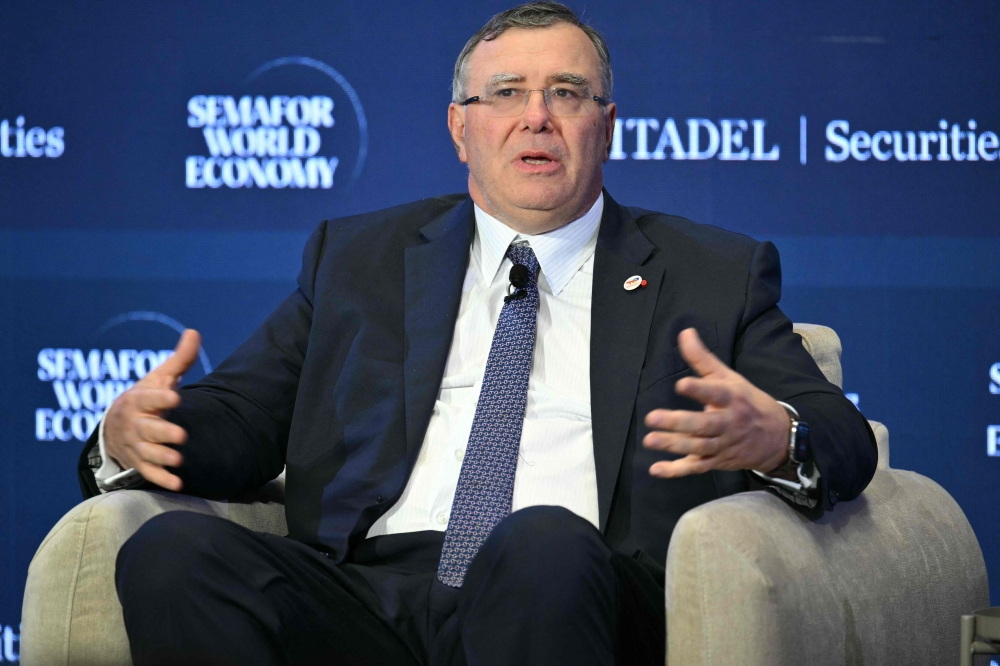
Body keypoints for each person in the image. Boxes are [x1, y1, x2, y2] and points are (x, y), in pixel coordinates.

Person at [78, 3, 877, 665]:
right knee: (173, 553)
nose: (537, 116)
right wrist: (133, 435)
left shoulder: (711, 275)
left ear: (607, 126)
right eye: (506, 93)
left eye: (567, 93)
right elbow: (244, 417)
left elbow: (840, 436)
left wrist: (777, 438)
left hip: (574, 588)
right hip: (366, 590)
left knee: (539, 543)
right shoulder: (359, 259)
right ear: (460, 128)